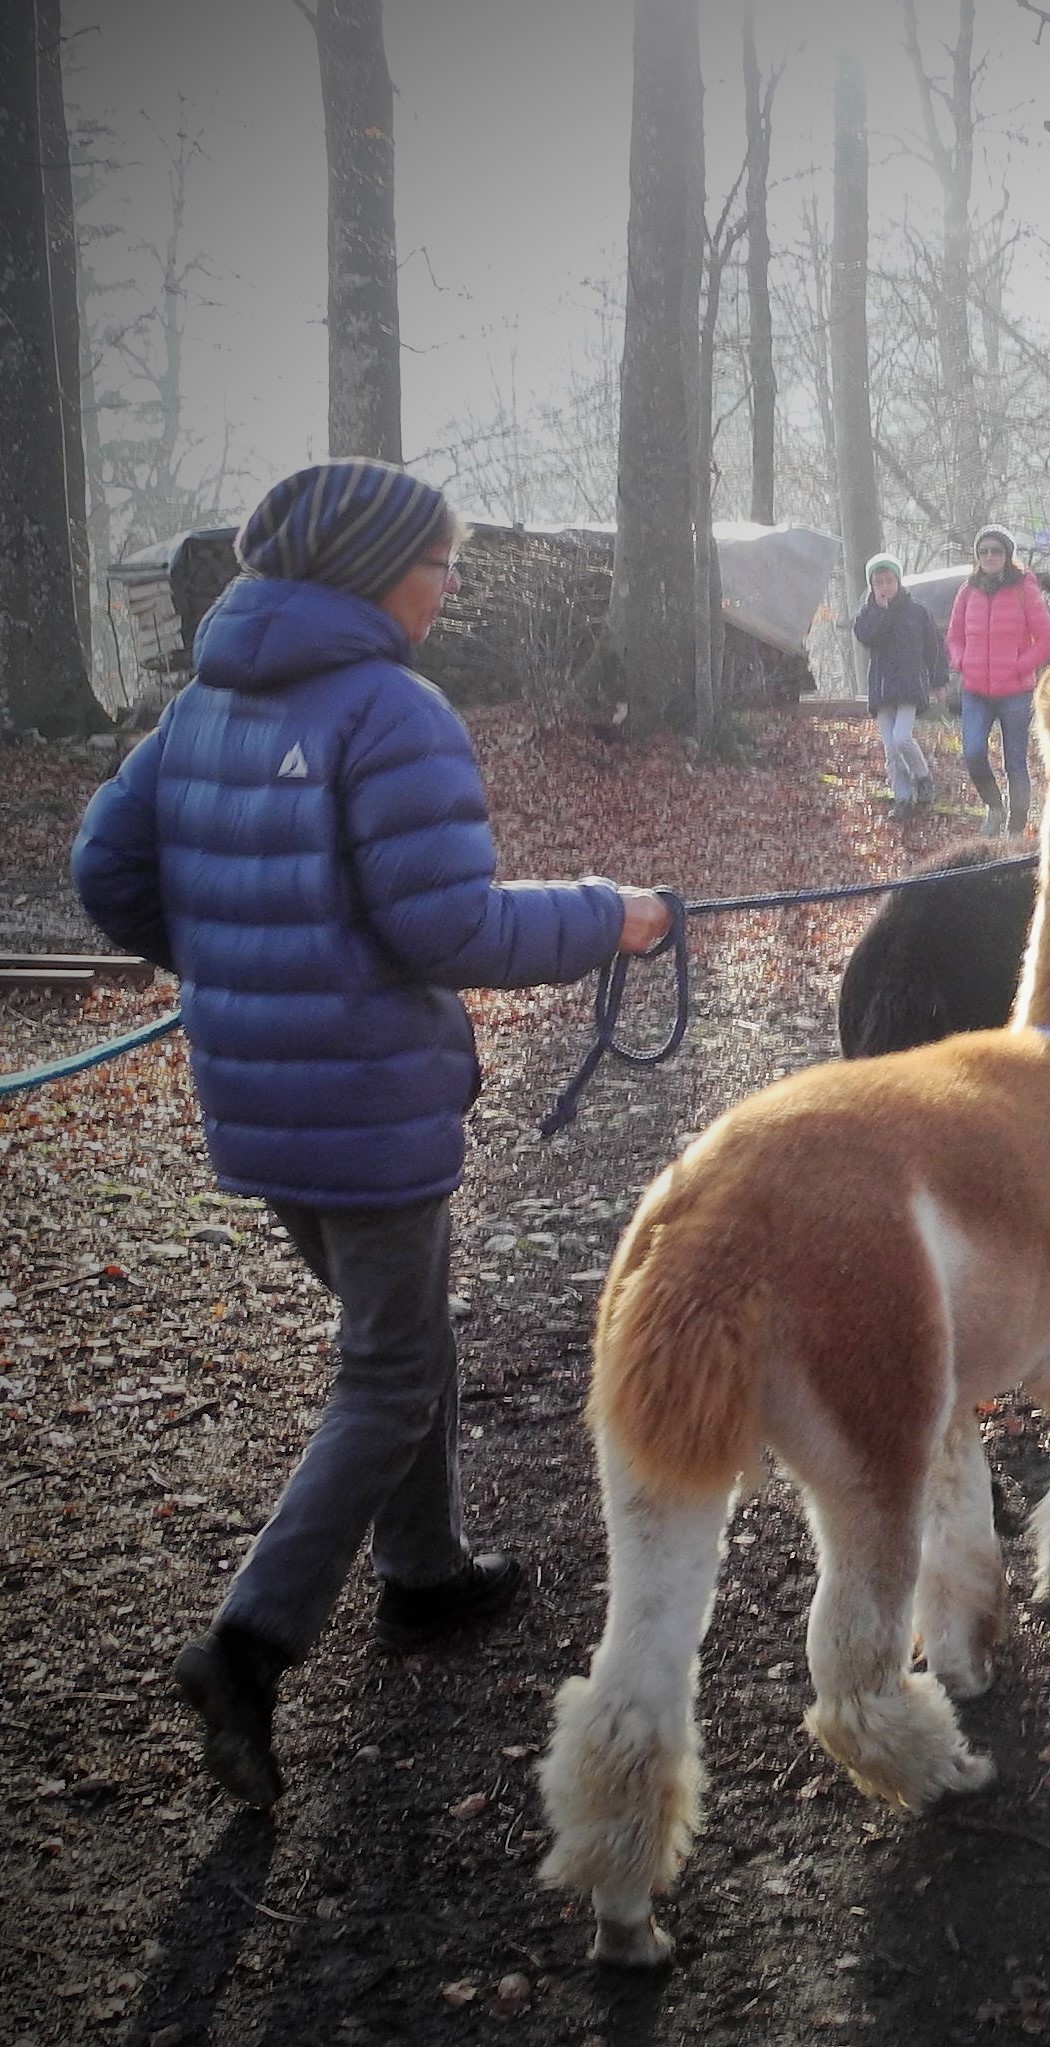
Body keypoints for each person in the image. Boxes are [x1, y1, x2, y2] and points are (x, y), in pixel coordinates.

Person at [68, 459, 670, 1809]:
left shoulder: (201, 703)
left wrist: (242, 966)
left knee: (402, 1337)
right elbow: (446, 926)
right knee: (392, 1372)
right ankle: (248, 1641)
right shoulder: (392, 710)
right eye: (439, 564)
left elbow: (106, 873)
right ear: (372, 568)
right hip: (367, 1103)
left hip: (261, 1101)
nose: (449, 590)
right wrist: (611, 913)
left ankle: (427, 1568)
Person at [945, 523, 1050, 836]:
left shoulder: (1025, 588)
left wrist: (1019, 666)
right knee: (972, 752)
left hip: (1015, 693)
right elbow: (954, 636)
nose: (989, 556)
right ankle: (995, 807)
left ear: (1007, 555)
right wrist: (961, 661)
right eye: (983, 551)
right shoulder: (967, 591)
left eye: (996, 550)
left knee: (1015, 763)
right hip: (975, 691)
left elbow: (1047, 639)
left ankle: (1015, 830)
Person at [853, 553, 946, 821]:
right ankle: (902, 798)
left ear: (898, 581)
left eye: (889, 580)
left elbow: (934, 647)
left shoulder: (917, 611)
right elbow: (866, 636)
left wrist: (938, 680)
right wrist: (880, 612)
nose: (884, 587)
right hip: (882, 690)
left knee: (902, 738)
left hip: (909, 687)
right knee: (890, 749)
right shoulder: (867, 614)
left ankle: (923, 776)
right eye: (878, 582)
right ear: (871, 585)